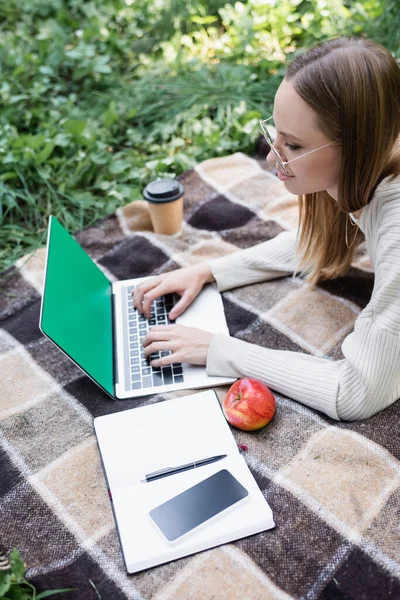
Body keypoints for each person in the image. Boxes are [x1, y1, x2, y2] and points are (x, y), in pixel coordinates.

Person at [133, 36, 400, 421]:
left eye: (292, 144)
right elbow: (316, 242)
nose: (273, 152)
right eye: (276, 132)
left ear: (356, 146)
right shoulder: (368, 161)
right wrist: (209, 271)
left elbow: (355, 392)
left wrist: (218, 351)